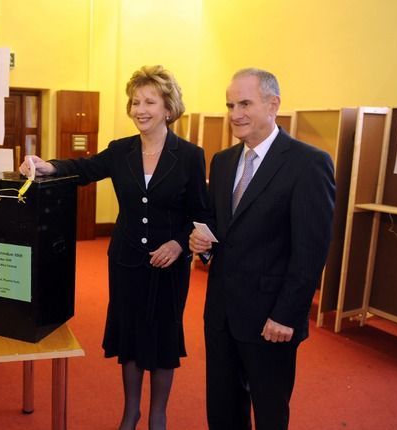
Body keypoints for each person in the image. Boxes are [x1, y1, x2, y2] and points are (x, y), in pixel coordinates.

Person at [20, 65, 207, 430]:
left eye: (150, 101)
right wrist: (48, 166)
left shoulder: (189, 155)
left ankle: (158, 414)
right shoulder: (121, 150)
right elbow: (84, 167)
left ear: (168, 108)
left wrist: (178, 244)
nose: (140, 109)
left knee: (164, 335)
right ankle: (131, 411)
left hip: (169, 264)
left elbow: (201, 213)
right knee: (130, 332)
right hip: (126, 260)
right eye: (135, 101)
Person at [189, 68, 335, 430]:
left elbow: (311, 249)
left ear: (274, 105)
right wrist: (202, 246)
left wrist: (287, 314)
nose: (235, 113)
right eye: (229, 104)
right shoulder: (223, 162)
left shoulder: (308, 163)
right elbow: (221, 229)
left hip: (272, 318)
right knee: (222, 409)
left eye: (244, 103)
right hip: (222, 312)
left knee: (269, 412)